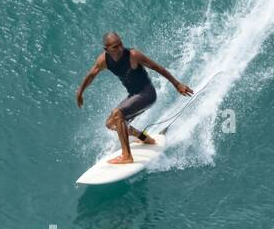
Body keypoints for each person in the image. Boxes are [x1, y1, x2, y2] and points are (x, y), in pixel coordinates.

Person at [76, 32, 193, 164]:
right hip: (134, 95)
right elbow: (91, 75)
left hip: (147, 94)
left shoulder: (133, 55)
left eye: (120, 44)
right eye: (115, 47)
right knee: (110, 123)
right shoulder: (104, 60)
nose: (120, 48)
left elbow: (157, 68)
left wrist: (177, 84)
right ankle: (144, 138)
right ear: (106, 49)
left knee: (117, 113)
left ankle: (127, 156)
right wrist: (80, 92)